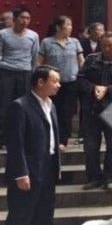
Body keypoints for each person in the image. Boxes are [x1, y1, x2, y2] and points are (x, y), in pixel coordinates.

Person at [0, 65, 64, 225]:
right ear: (40, 82)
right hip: (28, 171)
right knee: (18, 221)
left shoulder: (51, 105)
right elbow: (15, 143)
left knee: (44, 217)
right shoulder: (20, 106)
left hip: (48, 168)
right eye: (54, 81)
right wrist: (21, 173)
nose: (58, 85)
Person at [77, 32, 112, 191]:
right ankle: (94, 177)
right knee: (90, 146)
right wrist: (93, 88)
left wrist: (108, 89)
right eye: (104, 46)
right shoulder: (91, 60)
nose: (107, 49)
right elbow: (80, 78)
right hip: (92, 109)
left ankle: (110, 177)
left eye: (110, 46)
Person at [38, 15, 84, 148]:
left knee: (67, 111)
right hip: (52, 83)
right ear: (58, 27)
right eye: (67, 25)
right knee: (53, 108)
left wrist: (83, 75)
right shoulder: (47, 42)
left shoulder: (75, 42)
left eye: (71, 25)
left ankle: (64, 139)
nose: (70, 28)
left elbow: (81, 60)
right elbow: (39, 61)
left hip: (71, 81)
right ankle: (52, 136)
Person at [0, 5, 39, 144]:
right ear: (15, 19)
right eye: (22, 17)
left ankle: (21, 136)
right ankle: (3, 137)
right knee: (4, 105)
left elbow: (35, 57)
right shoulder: (3, 34)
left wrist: (34, 76)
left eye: (28, 18)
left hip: (25, 73)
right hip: (6, 72)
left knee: (23, 106)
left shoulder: (33, 36)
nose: (25, 21)